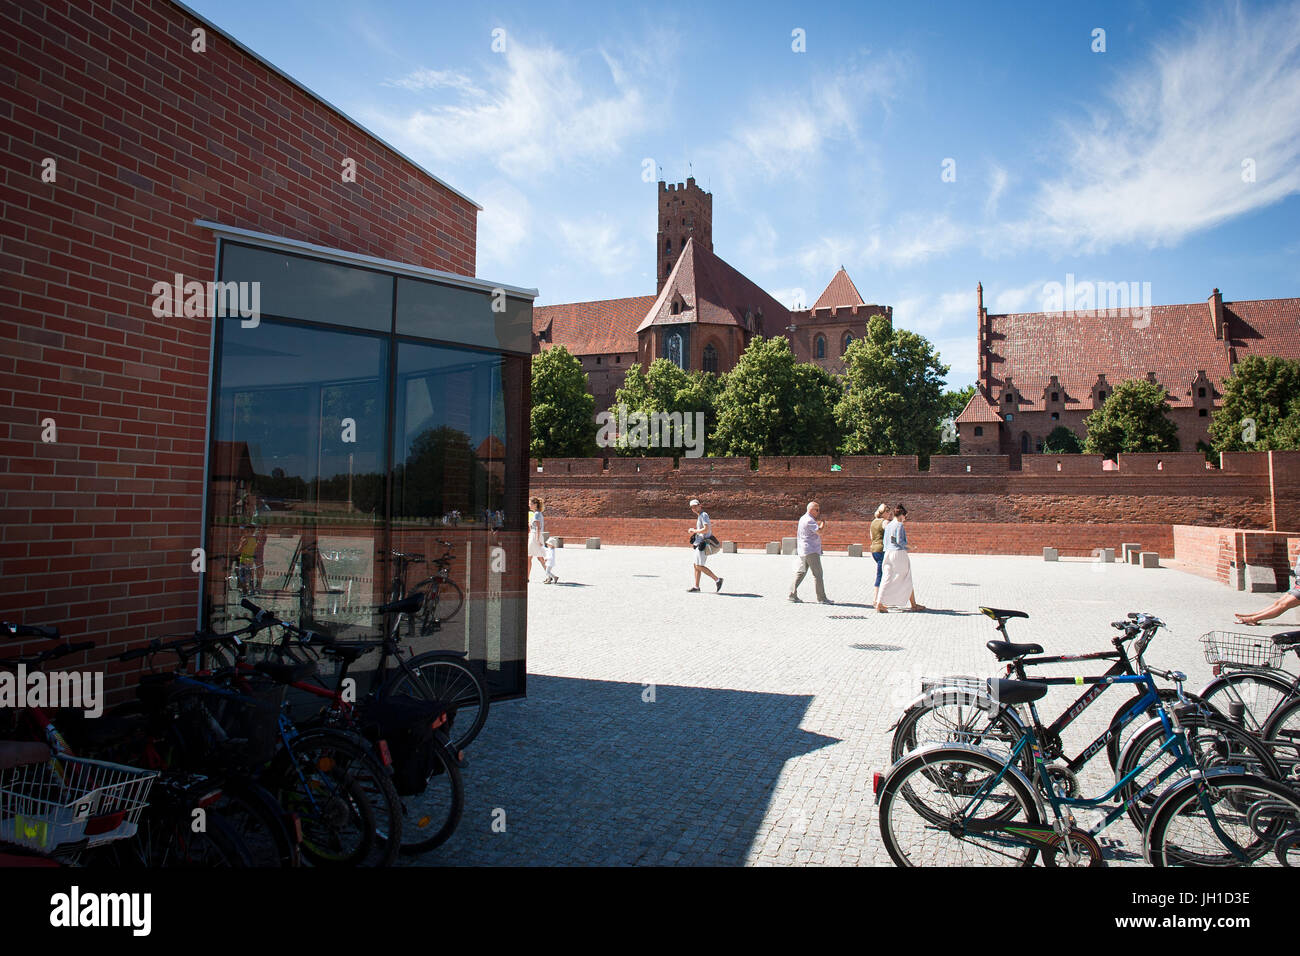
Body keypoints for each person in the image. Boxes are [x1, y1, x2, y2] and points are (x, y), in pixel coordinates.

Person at [876, 504, 925, 612]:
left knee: (886, 578)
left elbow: (886, 541)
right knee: (907, 577)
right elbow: (899, 541)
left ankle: (879, 603)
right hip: (898, 554)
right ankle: (914, 605)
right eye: (905, 516)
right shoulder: (899, 525)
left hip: (888, 553)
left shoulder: (888, 525)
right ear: (901, 515)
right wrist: (911, 547)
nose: (905, 519)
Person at [1235, 554, 1300, 625]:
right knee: (1278, 602)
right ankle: (1253, 615)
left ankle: (1253, 619)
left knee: (1283, 605)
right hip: (1297, 586)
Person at [789, 501, 831, 604]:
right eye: (817, 509)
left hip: (803, 549)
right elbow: (819, 531)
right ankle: (822, 598)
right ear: (811, 510)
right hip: (811, 550)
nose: (818, 512)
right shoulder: (809, 520)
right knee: (818, 574)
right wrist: (823, 523)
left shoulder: (803, 518)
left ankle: (791, 594)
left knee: (801, 572)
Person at [687, 498, 723, 593]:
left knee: (699, 566)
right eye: (692, 507)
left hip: (703, 544)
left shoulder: (703, 515)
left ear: (700, 505)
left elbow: (706, 529)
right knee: (696, 565)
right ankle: (696, 587)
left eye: (695, 506)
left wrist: (694, 531)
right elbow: (703, 529)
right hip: (699, 543)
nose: (694, 508)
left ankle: (717, 580)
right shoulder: (700, 516)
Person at [869, 502, 888, 607]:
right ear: (883, 512)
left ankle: (880, 599)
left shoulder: (873, 522)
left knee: (883, 573)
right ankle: (876, 600)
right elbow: (890, 534)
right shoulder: (884, 522)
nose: (889, 513)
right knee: (881, 575)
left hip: (874, 550)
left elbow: (871, 537)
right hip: (882, 550)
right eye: (888, 511)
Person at [527, 497, 547, 582]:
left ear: (535, 505)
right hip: (535, 536)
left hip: (535, 536)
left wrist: (537, 539)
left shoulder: (537, 514)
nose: (529, 505)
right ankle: (549, 575)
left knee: (529, 557)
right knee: (539, 557)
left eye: (530, 503)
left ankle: (526, 577)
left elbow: (538, 527)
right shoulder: (536, 513)